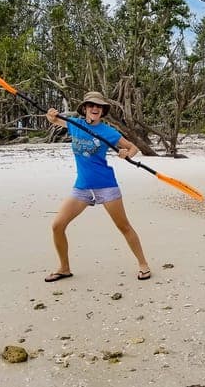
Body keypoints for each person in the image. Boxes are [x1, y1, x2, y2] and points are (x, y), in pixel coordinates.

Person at [43, 91, 152, 282]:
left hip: (105, 185)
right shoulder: (74, 124)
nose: (95, 108)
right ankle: (64, 268)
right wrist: (50, 115)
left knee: (124, 226)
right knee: (57, 226)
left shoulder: (108, 132)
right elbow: (54, 119)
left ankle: (143, 265)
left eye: (99, 106)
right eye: (91, 105)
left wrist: (127, 154)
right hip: (82, 187)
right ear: (85, 108)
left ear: (102, 111)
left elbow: (133, 147)